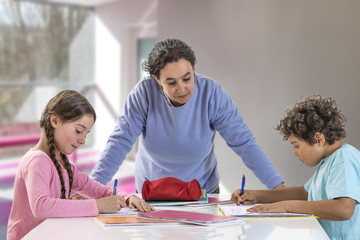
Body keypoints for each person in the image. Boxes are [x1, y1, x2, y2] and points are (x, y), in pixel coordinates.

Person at [90, 38, 284, 193]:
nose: (182, 89)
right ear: (157, 79)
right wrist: (91, 187)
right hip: (152, 191)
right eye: (171, 82)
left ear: (194, 70)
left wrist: (276, 187)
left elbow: (243, 142)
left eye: (187, 78)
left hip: (202, 190)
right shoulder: (143, 94)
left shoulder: (212, 94)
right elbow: (120, 141)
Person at [7, 90, 154, 240]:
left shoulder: (63, 164)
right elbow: (41, 207)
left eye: (86, 134)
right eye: (78, 131)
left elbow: (98, 190)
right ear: (55, 121)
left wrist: (128, 198)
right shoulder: (37, 161)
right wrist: (97, 206)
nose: (82, 140)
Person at [231, 95, 360, 240]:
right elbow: (305, 193)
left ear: (319, 139)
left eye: (296, 146)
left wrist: (288, 206)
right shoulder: (329, 161)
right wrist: (257, 195)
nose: (295, 153)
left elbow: (344, 209)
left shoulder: (344, 159)